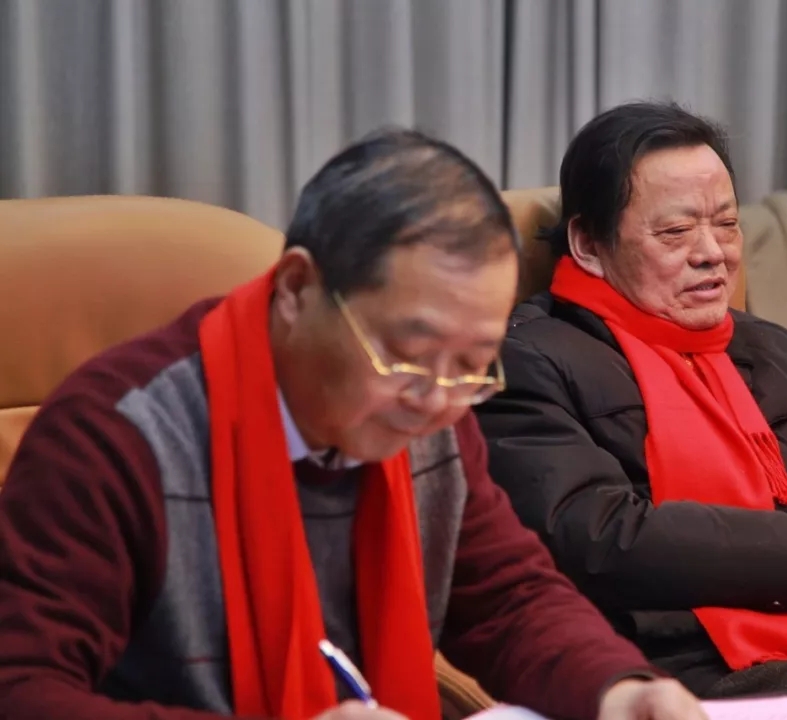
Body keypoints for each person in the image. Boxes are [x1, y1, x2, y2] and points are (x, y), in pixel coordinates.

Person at [0, 128, 706, 720]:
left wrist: (619, 689)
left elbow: (505, 596)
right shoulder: (113, 437)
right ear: (296, 289)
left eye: (473, 363)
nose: (437, 399)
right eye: (407, 354)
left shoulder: (432, 416)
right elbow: (23, 691)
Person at [474, 102, 787, 698]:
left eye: (727, 224)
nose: (713, 252)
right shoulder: (526, 360)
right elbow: (600, 537)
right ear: (587, 243)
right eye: (676, 232)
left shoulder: (764, 352)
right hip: (682, 671)